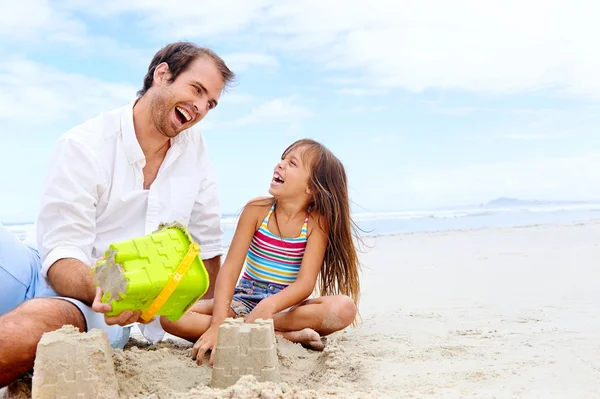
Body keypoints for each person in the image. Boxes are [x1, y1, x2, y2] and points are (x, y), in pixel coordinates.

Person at [0, 41, 235, 387]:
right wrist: (107, 285)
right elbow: (62, 254)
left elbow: (208, 246)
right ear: (162, 74)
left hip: (98, 309)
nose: (200, 107)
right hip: (41, 266)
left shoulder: (194, 149)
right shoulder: (85, 144)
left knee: (39, 326)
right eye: (196, 90)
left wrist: (210, 317)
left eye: (210, 103)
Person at [160, 138, 362, 366]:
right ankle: (283, 336)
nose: (280, 165)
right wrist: (218, 323)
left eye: (292, 163)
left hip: (285, 309)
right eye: (282, 159)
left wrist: (269, 306)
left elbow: (305, 284)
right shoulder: (256, 210)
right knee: (169, 316)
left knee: (344, 308)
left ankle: (254, 328)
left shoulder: (316, 223)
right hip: (242, 302)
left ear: (311, 187)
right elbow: (231, 268)